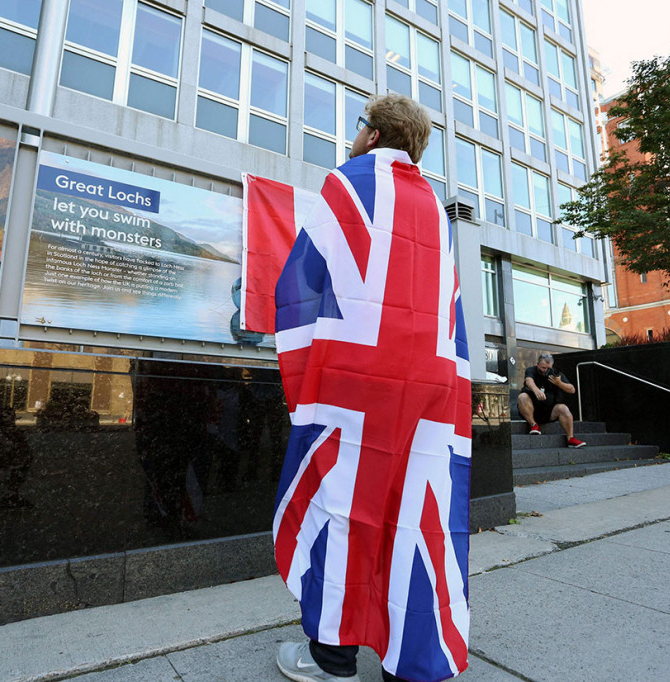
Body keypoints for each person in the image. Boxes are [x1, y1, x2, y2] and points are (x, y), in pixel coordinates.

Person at [272, 93, 472, 682]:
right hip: (428, 390)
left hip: (355, 383)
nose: (355, 135)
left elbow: (301, 285)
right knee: (412, 513)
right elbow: (449, 307)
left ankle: (332, 656)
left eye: (360, 124)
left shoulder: (346, 182)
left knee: (344, 503)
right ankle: (408, 662)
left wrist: (304, 377)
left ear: (376, 134)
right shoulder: (435, 207)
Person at [518, 353, 585, 448]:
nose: (545, 370)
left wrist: (559, 383)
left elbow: (572, 389)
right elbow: (529, 381)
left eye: (548, 368)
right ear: (538, 364)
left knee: (563, 408)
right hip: (531, 410)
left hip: (549, 411)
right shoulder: (531, 370)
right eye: (543, 368)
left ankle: (570, 438)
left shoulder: (554, 373)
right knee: (522, 397)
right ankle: (533, 424)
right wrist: (536, 390)